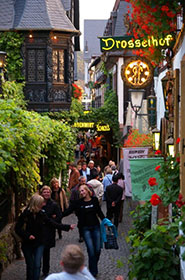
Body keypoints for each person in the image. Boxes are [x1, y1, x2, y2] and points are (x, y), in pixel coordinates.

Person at [15, 194, 75, 280]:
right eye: (41, 203)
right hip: (27, 243)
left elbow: (52, 223)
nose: (43, 204)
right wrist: (27, 236)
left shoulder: (41, 214)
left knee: (37, 264)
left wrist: (67, 227)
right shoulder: (25, 215)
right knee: (30, 265)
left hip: (39, 242)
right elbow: (17, 228)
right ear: (36, 204)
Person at [63, 185, 105, 277]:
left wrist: (105, 221)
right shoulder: (78, 203)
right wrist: (58, 216)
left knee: (97, 250)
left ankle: (94, 265)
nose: (82, 192)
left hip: (96, 227)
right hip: (85, 229)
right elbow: (68, 211)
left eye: (83, 190)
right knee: (91, 250)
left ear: (87, 190)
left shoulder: (94, 200)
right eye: (80, 191)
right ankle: (93, 271)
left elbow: (99, 212)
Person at [40, 186, 63, 277]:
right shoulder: (38, 203)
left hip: (49, 230)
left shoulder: (53, 204)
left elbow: (59, 216)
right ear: (41, 193)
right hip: (38, 230)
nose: (46, 194)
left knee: (46, 251)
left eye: (48, 192)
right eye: (44, 192)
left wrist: (53, 221)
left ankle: (45, 270)